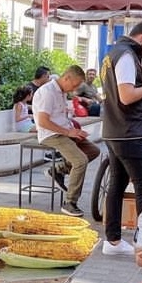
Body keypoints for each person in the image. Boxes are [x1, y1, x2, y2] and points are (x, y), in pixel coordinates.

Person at [100, 20, 142, 256]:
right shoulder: (125, 56)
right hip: (129, 132)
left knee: (117, 185)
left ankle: (112, 241)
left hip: (115, 130)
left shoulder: (113, 53)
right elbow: (126, 96)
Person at [31, 64, 101, 217]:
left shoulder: (60, 89)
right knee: (80, 160)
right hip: (51, 134)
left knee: (94, 151)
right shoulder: (48, 92)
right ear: (67, 78)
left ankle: (58, 170)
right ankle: (70, 202)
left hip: (65, 131)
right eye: (74, 85)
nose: (74, 89)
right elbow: (42, 122)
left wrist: (73, 130)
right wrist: (68, 132)